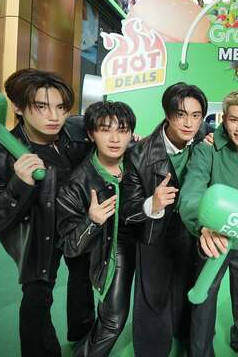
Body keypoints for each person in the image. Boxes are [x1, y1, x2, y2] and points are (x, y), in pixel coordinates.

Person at [0, 69, 95, 356]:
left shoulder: (76, 133)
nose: (54, 116)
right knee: (37, 297)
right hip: (39, 233)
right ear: (18, 107)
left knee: (82, 279)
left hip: (77, 223)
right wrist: (18, 186)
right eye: (42, 107)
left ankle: (83, 334)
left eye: (61, 107)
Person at [120, 82, 209, 356]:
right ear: (168, 115)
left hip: (192, 231)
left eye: (196, 115)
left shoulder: (205, 139)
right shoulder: (139, 153)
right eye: (181, 114)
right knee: (153, 297)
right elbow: (128, 209)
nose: (189, 123)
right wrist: (152, 204)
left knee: (187, 289)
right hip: (154, 232)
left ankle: (184, 336)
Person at [179, 91, 238, 357]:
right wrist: (201, 227)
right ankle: (200, 352)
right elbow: (190, 194)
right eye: (234, 120)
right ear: (224, 119)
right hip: (215, 238)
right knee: (204, 301)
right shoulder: (206, 150)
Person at [56, 101, 136, 356]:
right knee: (113, 320)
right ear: (91, 134)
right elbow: (69, 247)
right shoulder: (77, 183)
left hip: (147, 242)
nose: (115, 138)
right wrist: (92, 221)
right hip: (113, 246)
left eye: (122, 130)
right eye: (105, 130)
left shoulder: (139, 159)